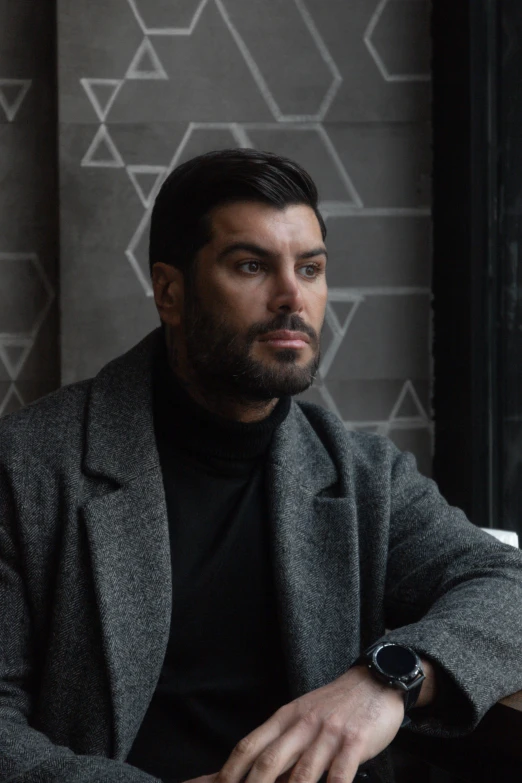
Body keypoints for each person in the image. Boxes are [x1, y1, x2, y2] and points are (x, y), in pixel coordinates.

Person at [1, 149, 522, 783]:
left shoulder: (361, 474)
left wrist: (384, 680)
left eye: (310, 268)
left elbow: (506, 586)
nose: (290, 297)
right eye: (251, 265)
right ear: (170, 292)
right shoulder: (26, 464)